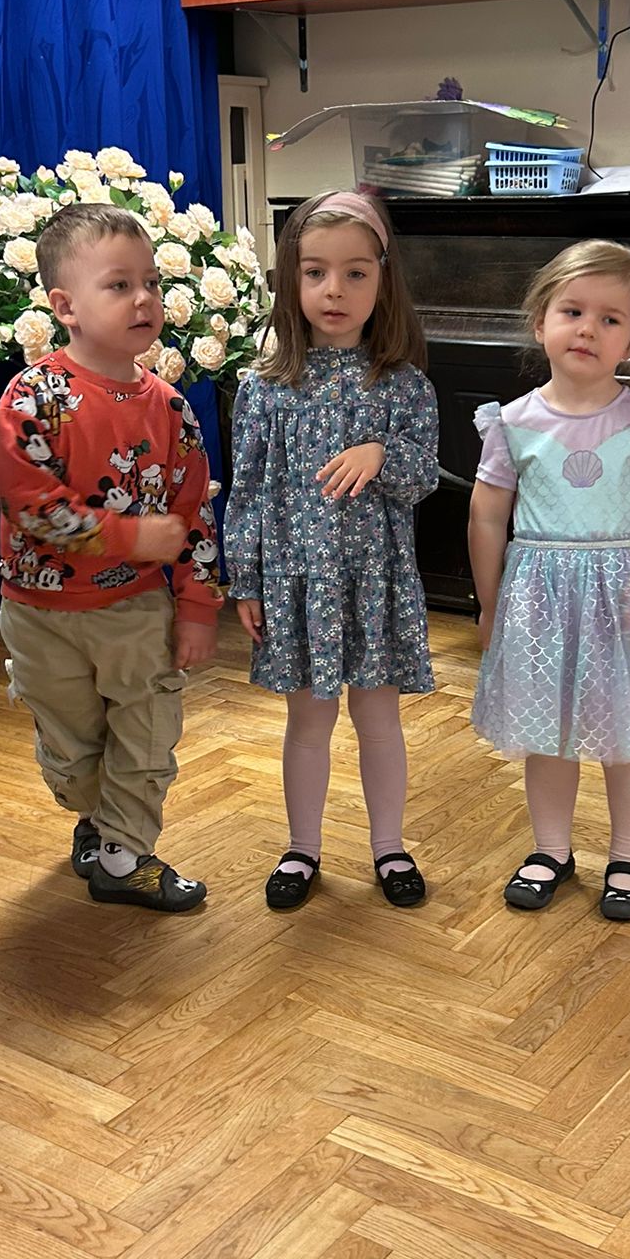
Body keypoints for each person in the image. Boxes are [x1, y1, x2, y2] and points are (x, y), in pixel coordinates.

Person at [0, 203, 221, 912]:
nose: (144, 298)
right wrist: (129, 536)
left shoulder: (172, 409)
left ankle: (124, 854)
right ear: (65, 307)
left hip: (136, 610)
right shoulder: (33, 398)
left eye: (152, 282)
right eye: (120, 285)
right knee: (72, 752)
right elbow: (31, 505)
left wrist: (197, 609)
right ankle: (96, 821)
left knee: (147, 734)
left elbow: (194, 514)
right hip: (40, 615)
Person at [468, 239, 630, 923]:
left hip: (624, 606)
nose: (588, 330)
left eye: (610, 318)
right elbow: (486, 517)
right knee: (547, 737)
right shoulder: (513, 423)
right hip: (539, 607)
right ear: (540, 320)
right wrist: (489, 604)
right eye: (573, 311)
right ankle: (551, 850)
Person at [224, 189, 438, 911]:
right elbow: (246, 490)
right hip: (296, 580)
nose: (333, 290)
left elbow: (423, 476)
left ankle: (389, 846)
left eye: (355, 273)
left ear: (383, 279)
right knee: (307, 724)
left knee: (379, 722)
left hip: (375, 582)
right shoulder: (264, 387)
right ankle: (302, 848)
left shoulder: (404, 386)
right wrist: (245, 580)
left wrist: (382, 453)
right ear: (290, 277)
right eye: (314, 272)